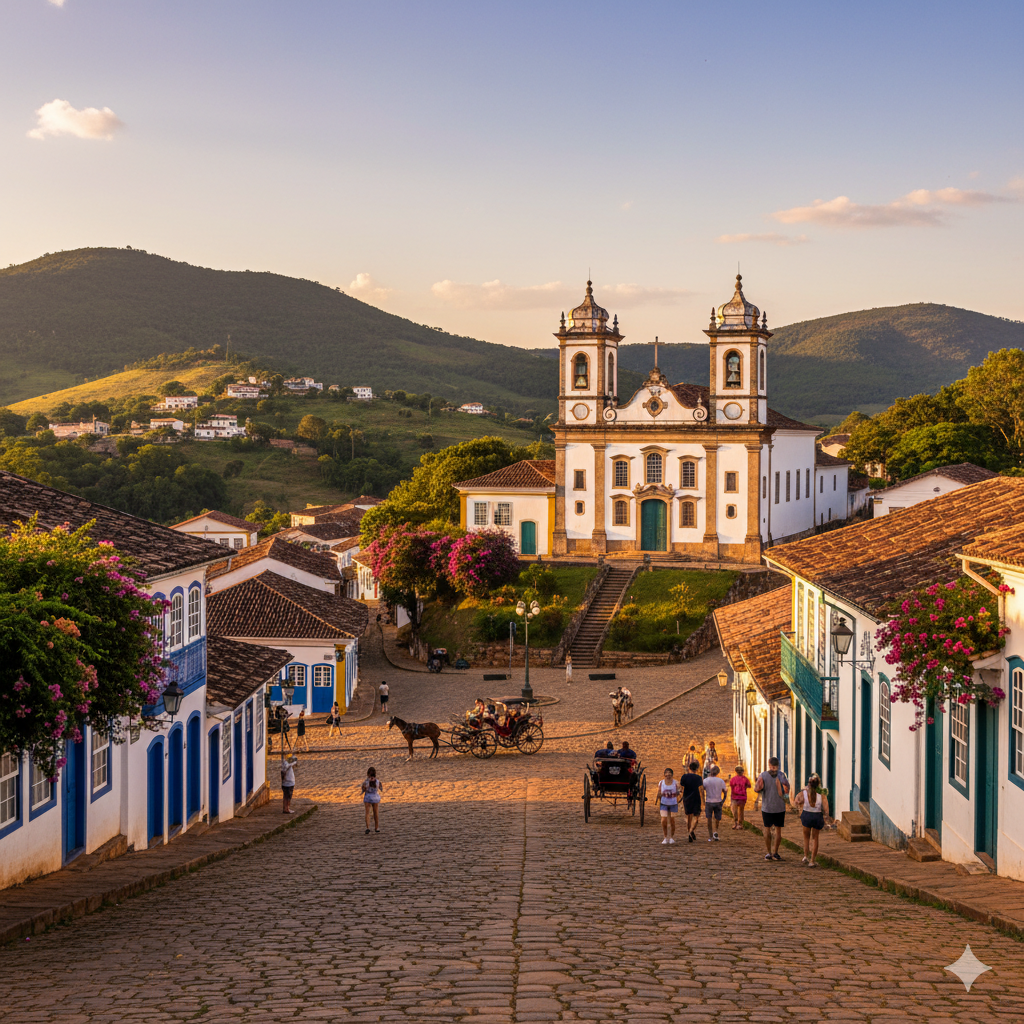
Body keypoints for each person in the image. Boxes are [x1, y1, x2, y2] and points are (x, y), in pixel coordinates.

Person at [754, 756, 791, 861]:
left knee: (767, 828)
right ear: (778, 765)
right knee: (778, 830)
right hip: (780, 807)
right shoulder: (782, 775)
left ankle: (769, 852)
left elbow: (756, 788)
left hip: (767, 807)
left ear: (769, 765)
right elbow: (787, 788)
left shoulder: (763, 775)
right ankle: (776, 852)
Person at [793, 773, 830, 867]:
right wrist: (826, 817)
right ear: (818, 784)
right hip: (817, 816)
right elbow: (826, 809)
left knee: (806, 837)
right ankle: (812, 861)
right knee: (815, 838)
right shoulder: (822, 795)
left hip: (806, 815)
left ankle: (805, 856)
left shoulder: (804, 793)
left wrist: (800, 802)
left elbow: (796, 802)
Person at [680, 761, 704, 842]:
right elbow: (701, 790)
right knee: (696, 816)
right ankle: (691, 831)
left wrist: (680, 798)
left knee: (688, 816)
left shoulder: (684, 777)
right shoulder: (698, 778)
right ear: (697, 769)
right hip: (696, 798)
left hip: (686, 798)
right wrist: (703, 800)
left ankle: (689, 832)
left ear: (689, 768)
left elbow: (681, 789)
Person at [702, 764, 728, 841]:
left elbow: (702, 790)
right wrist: (723, 800)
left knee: (709, 819)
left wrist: (703, 800)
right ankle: (715, 831)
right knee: (717, 818)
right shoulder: (721, 781)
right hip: (718, 801)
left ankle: (710, 836)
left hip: (709, 801)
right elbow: (725, 791)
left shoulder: (705, 780)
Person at [658, 767, 680, 844]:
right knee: (663, 820)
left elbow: (679, 792)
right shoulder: (661, 783)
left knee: (672, 821)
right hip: (664, 803)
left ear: (672, 775)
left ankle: (671, 837)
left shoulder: (676, 783)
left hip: (673, 803)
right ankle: (665, 836)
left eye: (669, 775)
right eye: (666, 775)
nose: (668, 776)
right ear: (664, 775)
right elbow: (659, 792)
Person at [361, 767, 382, 834]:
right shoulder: (378, 782)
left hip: (367, 797)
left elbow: (363, 790)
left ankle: (368, 827)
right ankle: (377, 827)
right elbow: (381, 788)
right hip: (375, 797)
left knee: (367, 813)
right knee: (375, 813)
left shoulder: (366, 782)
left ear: (368, 774)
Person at [728, 765, 750, 829]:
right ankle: (740, 824)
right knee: (741, 811)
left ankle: (735, 823)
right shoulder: (745, 779)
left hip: (734, 796)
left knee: (734, 811)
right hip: (742, 797)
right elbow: (749, 785)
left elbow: (731, 786)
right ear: (743, 772)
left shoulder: (733, 779)